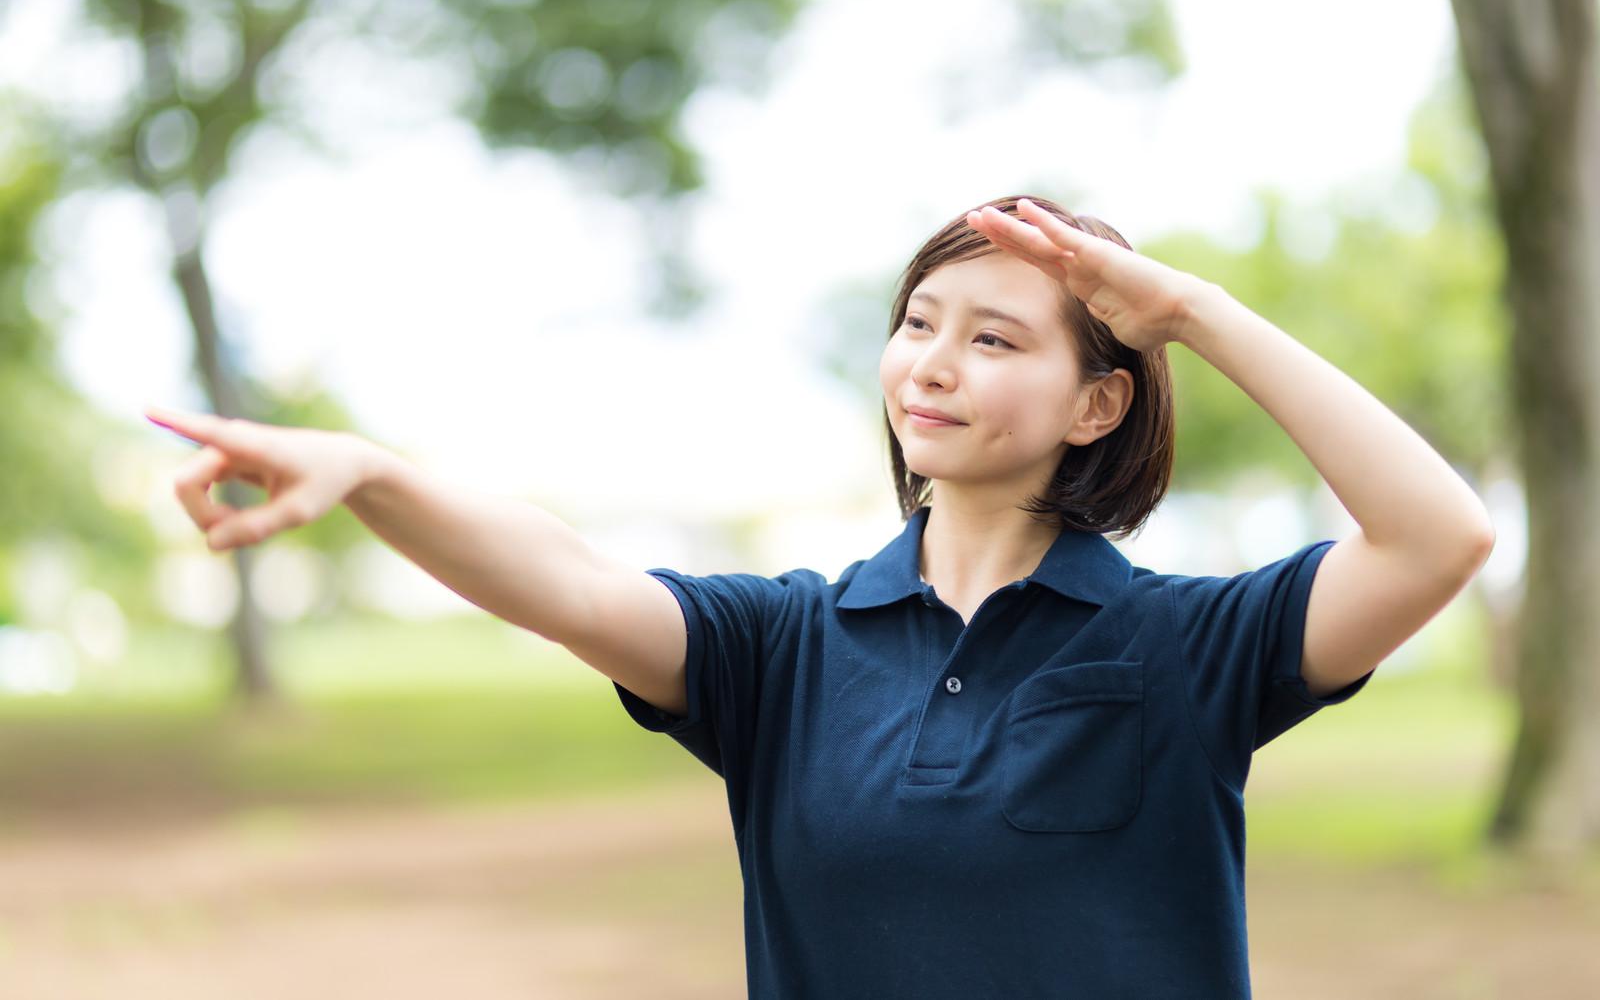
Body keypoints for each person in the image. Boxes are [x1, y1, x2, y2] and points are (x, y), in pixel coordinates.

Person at [146, 193, 1496, 998]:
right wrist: (373, 473)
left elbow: (1439, 537)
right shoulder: (779, 648)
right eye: (919, 319)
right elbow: (565, 577)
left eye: (993, 336)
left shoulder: (1186, 644)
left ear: (1099, 400)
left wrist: (1191, 310)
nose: (934, 361)